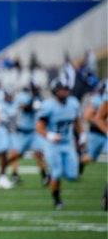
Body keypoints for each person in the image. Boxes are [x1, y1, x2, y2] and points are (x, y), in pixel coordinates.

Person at [36, 78, 83, 210]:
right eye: (62, 90)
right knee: (57, 172)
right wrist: (49, 135)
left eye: (66, 89)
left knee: (72, 175)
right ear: (55, 91)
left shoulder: (73, 103)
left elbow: (77, 120)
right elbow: (39, 127)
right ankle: (57, 200)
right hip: (52, 144)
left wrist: (82, 136)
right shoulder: (48, 105)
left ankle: (51, 176)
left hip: (67, 143)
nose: (64, 92)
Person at [7, 80, 48, 185]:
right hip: (22, 132)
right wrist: (31, 103)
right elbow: (24, 108)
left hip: (33, 132)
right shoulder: (22, 96)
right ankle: (13, 173)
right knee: (16, 154)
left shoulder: (38, 98)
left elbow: (42, 110)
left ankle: (44, 175)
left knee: (39, 153)